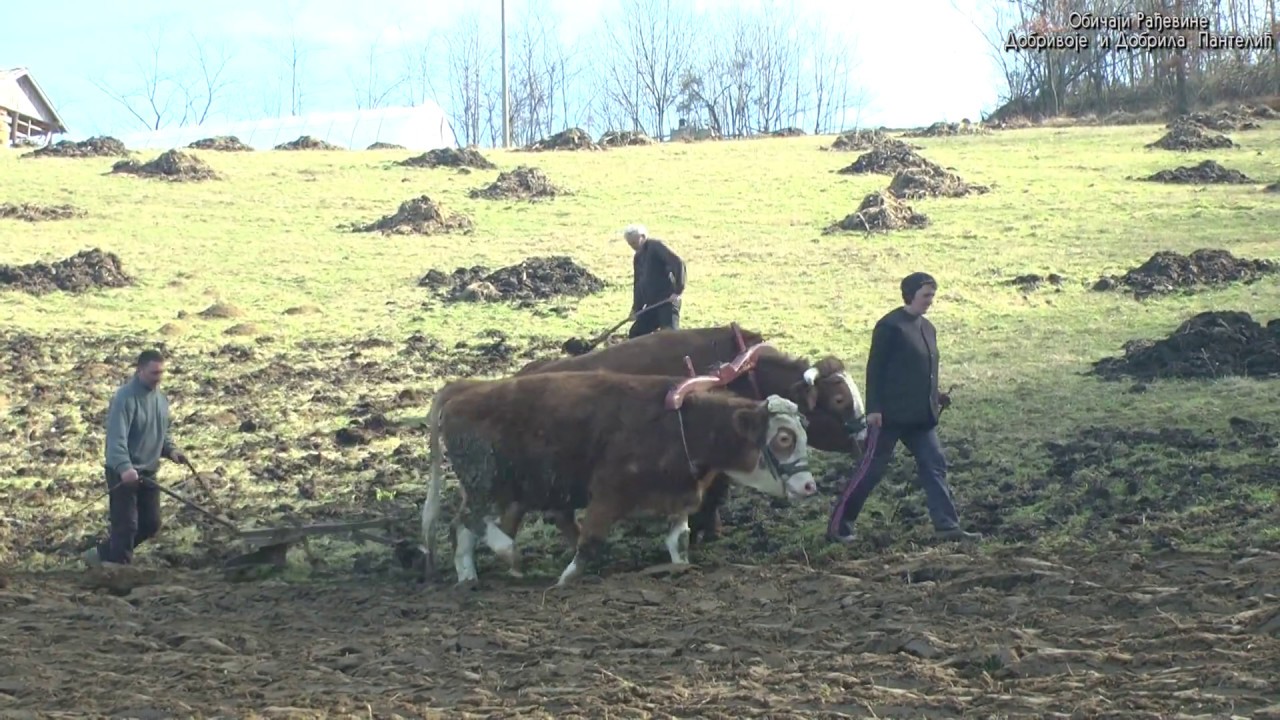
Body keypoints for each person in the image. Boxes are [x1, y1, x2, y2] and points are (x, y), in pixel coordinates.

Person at [826, 272, 980, 544]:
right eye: (926, 296)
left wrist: (936, 396)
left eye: (932, 295)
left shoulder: (928, 328)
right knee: (871, 470)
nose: (930, 301)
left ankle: (947, 526)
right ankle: (840, 527)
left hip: (921, 417)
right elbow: (875, 369)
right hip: (888, 417)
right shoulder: (889, 327)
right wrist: (874, 408)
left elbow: (922, 371)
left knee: (935, 464)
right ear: (910, 295)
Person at [83, 349, 188, 567]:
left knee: (150, 524)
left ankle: (102, 555)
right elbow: (116, 438)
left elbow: (161, 432)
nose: (158, 378)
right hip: (124, 472)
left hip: (148, 471)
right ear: (139, 371)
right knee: (126, 526)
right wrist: (124, 468)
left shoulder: (160, 399)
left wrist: (171, 451)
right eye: (153, 373)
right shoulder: (125, 398)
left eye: (161, 373)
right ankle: (118, 570)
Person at [622, 223, 685, 338]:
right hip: (652, 305)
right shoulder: (637, 258)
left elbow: (678, 263)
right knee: (636, 333)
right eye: (630, 244)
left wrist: (677, 291)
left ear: (643, 237)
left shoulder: (655, 247)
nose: (633, 247)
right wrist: (636, 308)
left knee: (670, 336)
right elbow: (638, 284)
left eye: (634, 243)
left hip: (667, 301)